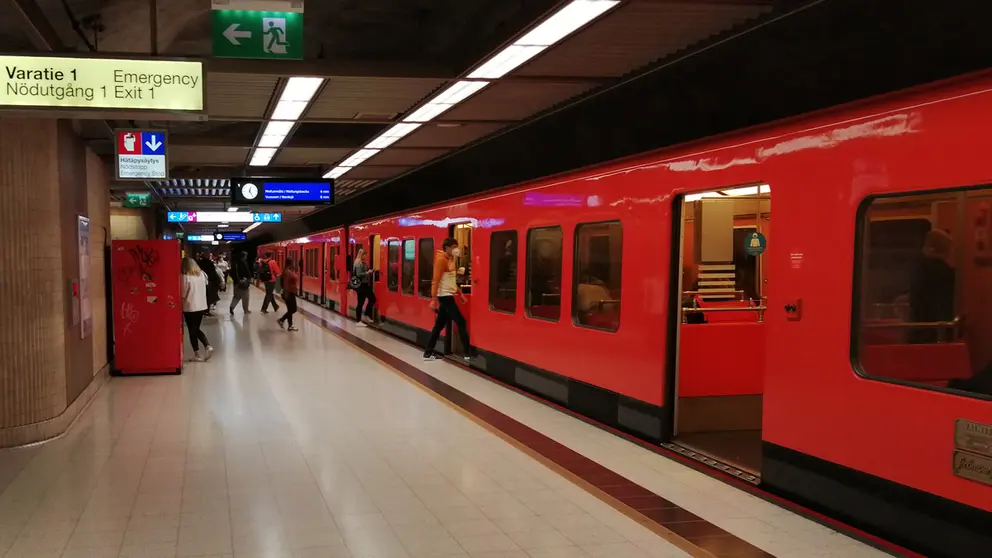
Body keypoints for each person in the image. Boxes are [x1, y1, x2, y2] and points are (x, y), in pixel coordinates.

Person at [424, 238, 473, 362]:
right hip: (444, 297)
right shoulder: (441, 260)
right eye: (454, 247)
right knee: (461, 322)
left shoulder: (451, 260)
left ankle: (428, 353)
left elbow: (450, 280)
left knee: (439, 325)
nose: (457, 249)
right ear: (447, 248)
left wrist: (460, 293)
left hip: (448, 295)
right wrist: (433, 299)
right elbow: (436, 280)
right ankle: (468, 354)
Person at [908, 229, 955, 343]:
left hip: (918, 328)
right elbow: (946, 305)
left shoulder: (919, 269)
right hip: (937, 331)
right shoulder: (947, 273)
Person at [181, 257, 213, 361]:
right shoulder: (202, 274)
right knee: (195, 328)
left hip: (189, 306)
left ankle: (198, 352)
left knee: (192, 330)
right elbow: (206, 286)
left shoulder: (185, 276)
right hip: (201, 306)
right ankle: (207, 347)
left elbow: (183, 293)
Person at [353, 248, 376, 325]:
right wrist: (367, 272)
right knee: (361, 302)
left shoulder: (363, 263)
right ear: (361, 255)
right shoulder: (358, 264)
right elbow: (359, 274)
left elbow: (366, 271)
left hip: (364, 285)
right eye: (365, 255)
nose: (366, 256)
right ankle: (359, 320)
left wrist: (371, 271)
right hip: (361, 285)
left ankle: (364, 316)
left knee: (370, 299)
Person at [277, 259, 299, 332]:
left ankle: (289, 325)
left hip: (289, 292)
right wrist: (286, 293)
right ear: (291, 263)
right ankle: (282, 320)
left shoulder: (286, 271)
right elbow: (287, 283)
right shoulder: (287, 272)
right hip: (289, 293)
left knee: (290, 309)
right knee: (293, 309)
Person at [229, 251, 253, 316]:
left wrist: (236, 280)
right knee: (245, 297)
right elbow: (247, 272)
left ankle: (232, 306)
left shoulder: (235, 263)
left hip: (236, 283)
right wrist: (248, 278)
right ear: (244, 256)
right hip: (243, 282)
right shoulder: (243, 262)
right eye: (246, 256)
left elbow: (231, 273)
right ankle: (246, 310)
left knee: (236, 296)